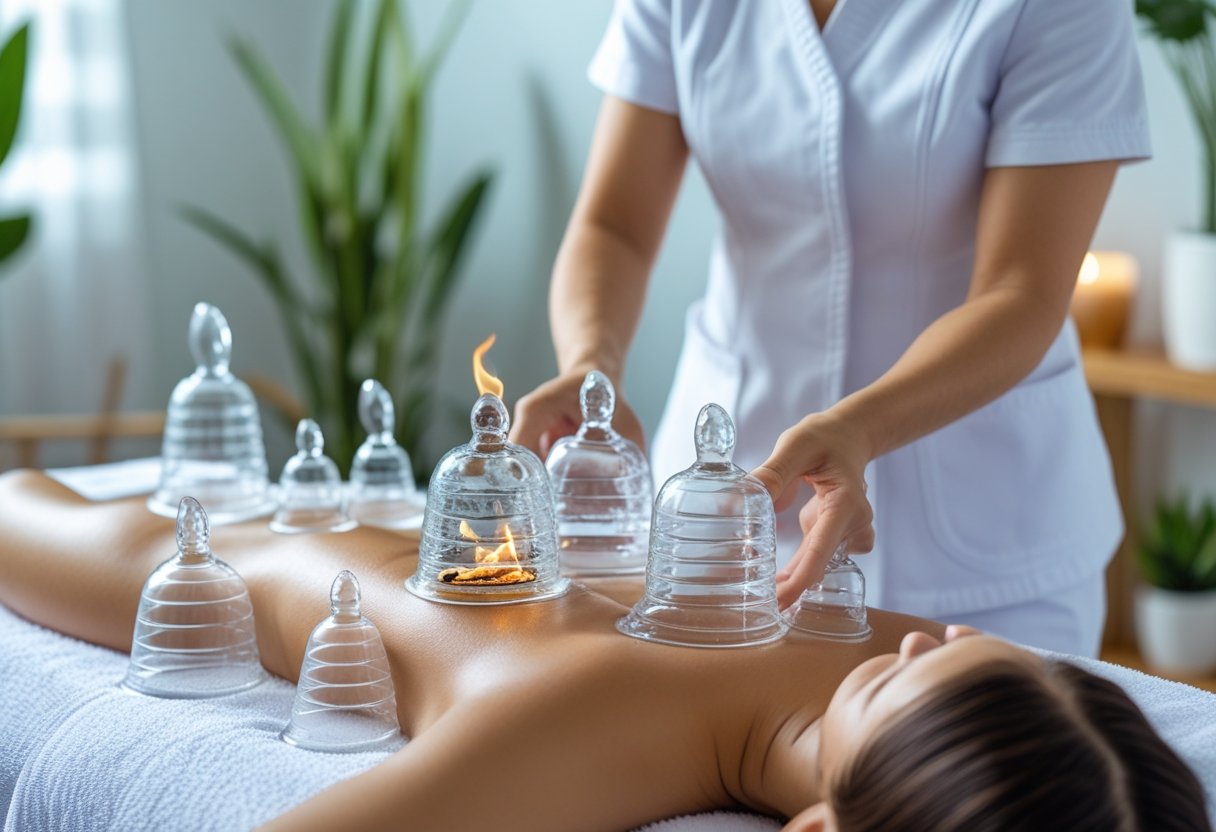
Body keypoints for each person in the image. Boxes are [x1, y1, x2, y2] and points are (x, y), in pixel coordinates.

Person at [0, 470, 1209, 831]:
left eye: (905, 670)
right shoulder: (975, 709)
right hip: (471, 519)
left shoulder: (595, 724)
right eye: (974, 646)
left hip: (250, 560)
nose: (929, 631)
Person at [509, 0, 1152, 657]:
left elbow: (1022, 290)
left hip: (985, 547)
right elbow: (614, 225)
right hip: (721, 529)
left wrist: (860, 428)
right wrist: (592, 366)